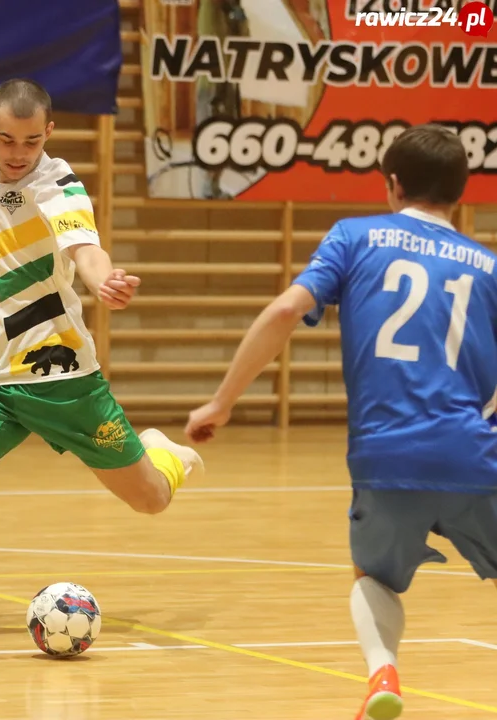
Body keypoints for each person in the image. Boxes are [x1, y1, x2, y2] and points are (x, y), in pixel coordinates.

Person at [0, 78, 205, 650]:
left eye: (29, 140)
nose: (17, 153)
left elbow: (86, 252)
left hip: (62, 376)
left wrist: (103, 283)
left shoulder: (60, 185)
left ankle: (164, 456)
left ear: (49, 133)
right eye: (5, 140)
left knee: (149, 498)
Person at [184, 124, 497, 720]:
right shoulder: (487, 266)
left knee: (373, 574)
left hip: (386, 457)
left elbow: (284, 311)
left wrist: (222, 402)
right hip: (472, 452)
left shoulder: (355, 238)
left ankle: (384, 671)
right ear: (461, 192)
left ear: (392, 185)